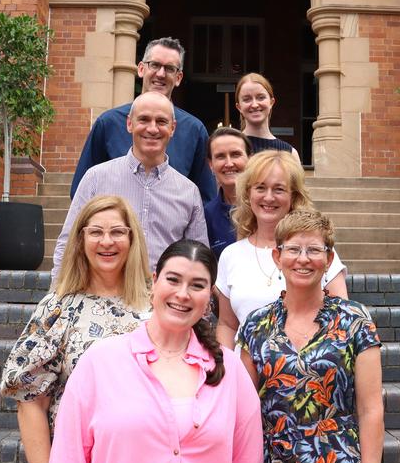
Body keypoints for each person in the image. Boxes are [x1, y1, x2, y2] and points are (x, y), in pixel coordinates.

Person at [49, 240, 264, 463]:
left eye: (197, 285)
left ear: (209, 296)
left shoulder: (231, 370)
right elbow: (68, 458)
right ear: (154, 282)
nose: (183, 294)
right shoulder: (99, 362)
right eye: (173, 280)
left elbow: (248, 461)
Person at [1, 195, 151, 463]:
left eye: (117, 231)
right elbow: (31, 400)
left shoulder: (155, 306)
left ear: (132, 239)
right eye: (96, 232)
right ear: (81, 241)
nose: (107, 241)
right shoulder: (59, 308)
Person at [237, 210, 383, 463]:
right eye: (293, 249)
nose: (303, 259)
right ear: (277, 256)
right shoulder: (256, 325)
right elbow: (245, 413)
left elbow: (371, 410)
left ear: (328, 259)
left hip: (339, 460)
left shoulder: (354, 321)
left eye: (314, 250)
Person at [52, 91, 209, 281]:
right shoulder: (95, 178)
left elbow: (197, 258)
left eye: (161, 121)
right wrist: (57, 296)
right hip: (104, 299)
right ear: (129, 124)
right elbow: (68, 243)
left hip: (160, 303)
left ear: (173, 128)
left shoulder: (188, 191)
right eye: (143, 120)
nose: (152, 129)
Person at [215, 150, 348, 349]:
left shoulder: (315, 252)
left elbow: (342, 317)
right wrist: (224, 370)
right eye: (260, 187)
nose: (268, 197)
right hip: (244, 373)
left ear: (293, 196)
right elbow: (227, 324)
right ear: (248, 193)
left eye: (278, 189)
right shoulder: (231, 255)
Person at [71, 37, 216, 203]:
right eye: (154, 65)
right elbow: (81, 191)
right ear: (141, 69)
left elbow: (205, 198)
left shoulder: (194, 130)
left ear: (178, 78)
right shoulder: (108, 123)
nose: (160, 74)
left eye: (169, 68)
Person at [204, 127, 252, 259]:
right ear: (211, 165)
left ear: (250, 158)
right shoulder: (207, 215)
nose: (229, 163)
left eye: (236, 154)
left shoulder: (268, 206)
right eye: (220, 156)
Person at [235, 72, 301, 163]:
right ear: (239, 107)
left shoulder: (290, 153)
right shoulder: (230, 148)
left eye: (261, 97)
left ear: (271, 102)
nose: (254, 104)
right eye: (247, 99)